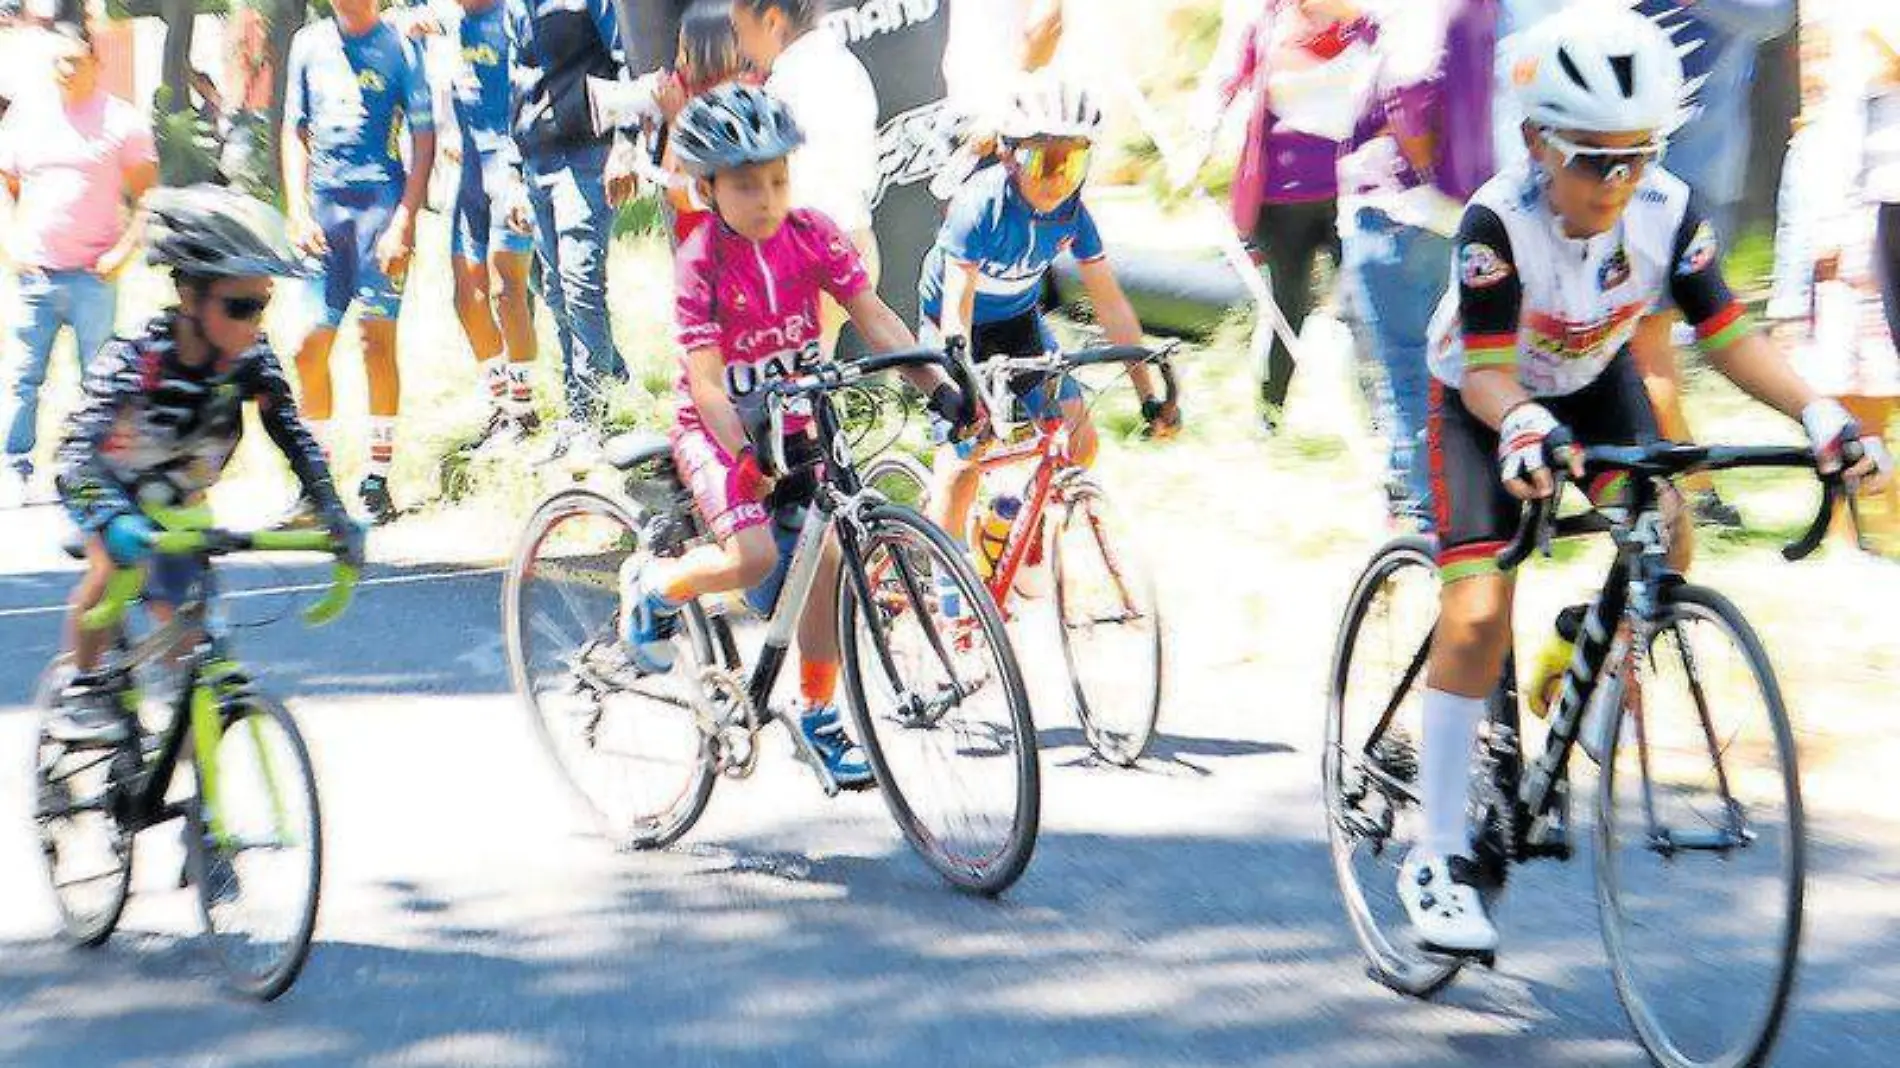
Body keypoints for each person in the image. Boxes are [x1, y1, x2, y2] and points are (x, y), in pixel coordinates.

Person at [1403, 5, 1888, 954]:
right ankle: (1437, 849)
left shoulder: (1671, 210)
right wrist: (1525, 426)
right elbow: (1492, 370)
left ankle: (1576, 657)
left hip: (1592, 381)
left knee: (1668, 532)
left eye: (1637, 156)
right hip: (1487, 397)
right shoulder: (1496, 220)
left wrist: (1820, 413)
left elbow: (1730, 338)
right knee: (1473, 610)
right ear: (1540, 142)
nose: (1617, 182)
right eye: (1594, 159)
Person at [616, 85, 976, 787]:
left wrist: (940, 385)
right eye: (746, 185)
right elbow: (709, 384)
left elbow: (874, 316)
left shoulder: (812, 232)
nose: (766, 198)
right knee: (751, 558)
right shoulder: (700, 262)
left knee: (831, 556)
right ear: (707, 187)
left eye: (778, 179)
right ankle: (657, 587)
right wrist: (747, 459)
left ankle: (817, 714)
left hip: (797, 418)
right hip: (721, 431)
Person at [47, 186, 361, 745]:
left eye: (261, 305)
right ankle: (83, 684)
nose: (254, 323)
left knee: (197, 656)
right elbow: (72, 458)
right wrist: (112, 521)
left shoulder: (252, 361)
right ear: (190, 297)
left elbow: (291, 432)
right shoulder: (136, 359)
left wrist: (330, 508)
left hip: (182, 509)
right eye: (239, 307)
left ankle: (196, 799)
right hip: (113, 496)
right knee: (115, 569)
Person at [919, 76, 1153, 559]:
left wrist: (1149, 392)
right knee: (965, 459)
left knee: (1080, 442)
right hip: (957, 328)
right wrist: (966, 391)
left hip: (1018, 323)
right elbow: (956, 311)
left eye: (1073, 161)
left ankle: (1007, 517)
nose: (1057, 179)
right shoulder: (979, 206)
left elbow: (1111, 305)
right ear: (1008, 154)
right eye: (1042, 160)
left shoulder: (1073, 215)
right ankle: (945, 595)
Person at [1337, 0, 1497, 529]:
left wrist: (1428, 165)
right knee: (1448, 375)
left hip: (1405, 209)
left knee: (1410, 380)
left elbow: (1408, 84)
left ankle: (1424, 529)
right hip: (1455, 211)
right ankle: (1423, 521)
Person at [282, 0, 435, 524]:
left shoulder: (400, 47)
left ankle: (376, 478)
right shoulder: (308, 44)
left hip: (380, 209)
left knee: (375, 341)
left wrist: (405, 219)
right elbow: (293, 131)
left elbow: (423, 136)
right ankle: (315, 484)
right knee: (308, 344)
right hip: (325, 214)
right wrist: (297, 210)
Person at [1192, 0, 1377, 434]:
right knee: (1286, 308)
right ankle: (1269, 416)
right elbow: (1224, 81)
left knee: (1365, 307)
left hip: (1352, 193)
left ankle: (1384, 426)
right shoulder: (1266, 19)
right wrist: (1200, 141)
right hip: (1281, 199)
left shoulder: (1365, 18)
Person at [0, 21, 156, 505]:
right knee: (24, 376)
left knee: (100, 379)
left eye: (76, 60)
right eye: (58, 62)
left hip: (94, 276)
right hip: (38, 272)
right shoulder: (27, 117)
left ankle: (95, 470)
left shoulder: (121, 121)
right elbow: (5, 183)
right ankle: (13, 467)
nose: (66, 70)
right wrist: (12, 243)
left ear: (96, 64)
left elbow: (148, 197)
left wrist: (122, 252)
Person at [501, 0, 635, 464]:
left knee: (580, 286)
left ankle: (589, 417)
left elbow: (626, 59)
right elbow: (515, 85)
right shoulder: (514, 7)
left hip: (588, 156)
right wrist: (514, 173)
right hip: (536, 164)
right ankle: (602, 385)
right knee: (554, 289)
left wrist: (626, 143)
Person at [409, 0, 542, 449]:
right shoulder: (445, 17)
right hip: (467, 170)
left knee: (509, 291)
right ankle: (501, 404)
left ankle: (523, 412)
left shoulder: (512, 13)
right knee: (467, 294)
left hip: (508, 164)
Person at [729, 0, 882, 355]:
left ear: (771, 20)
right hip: (857, 241)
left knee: (794, 395)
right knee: (813, 384)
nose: (740, 48)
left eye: (741, 32)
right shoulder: (846, 64)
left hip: (806, 254)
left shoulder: (785, 88)